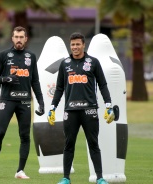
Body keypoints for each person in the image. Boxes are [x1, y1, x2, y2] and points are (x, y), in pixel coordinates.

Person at [47, 32, 115, 184]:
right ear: (70, 46)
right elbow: (59, 88)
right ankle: (66, 178)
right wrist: (52, 108)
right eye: (72, 45)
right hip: (70, 111)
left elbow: (103, 85)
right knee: (68, 144)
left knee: (93, 144)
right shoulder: (64, 64)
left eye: (78, 44)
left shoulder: (93, 62)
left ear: (83, 45)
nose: (75, 47)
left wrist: (108, 105)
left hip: (89, 109)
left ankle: (100, 178)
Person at [0, 26, 45, 179]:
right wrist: (6, 79)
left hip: (24, 101)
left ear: (26, 39)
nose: (19, 40)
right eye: (16, 37)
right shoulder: (4, 55)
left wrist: (41, 102)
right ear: (12, 38)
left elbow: (35, 81)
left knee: (25, 136)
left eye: (21, 37)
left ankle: (20, 170)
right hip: (7, 100)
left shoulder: (31, 57)